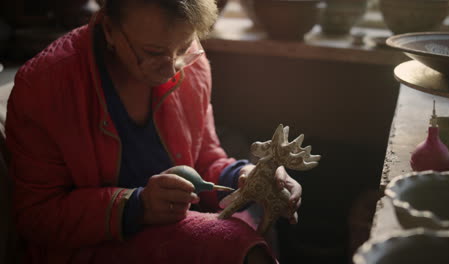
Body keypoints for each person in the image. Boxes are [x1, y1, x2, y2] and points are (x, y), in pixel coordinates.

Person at [5, 0, 303, 263]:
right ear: (109, 29)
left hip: (172, 228)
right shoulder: (44, 86)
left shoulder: (193, 67)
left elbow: (205, 160)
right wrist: (137, 205)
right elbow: (37, 216)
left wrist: (246, 176)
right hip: (89, 246)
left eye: (184, 48)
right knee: (232, 242)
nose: (173, 68)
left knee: (260, 213)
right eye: (153, 52)